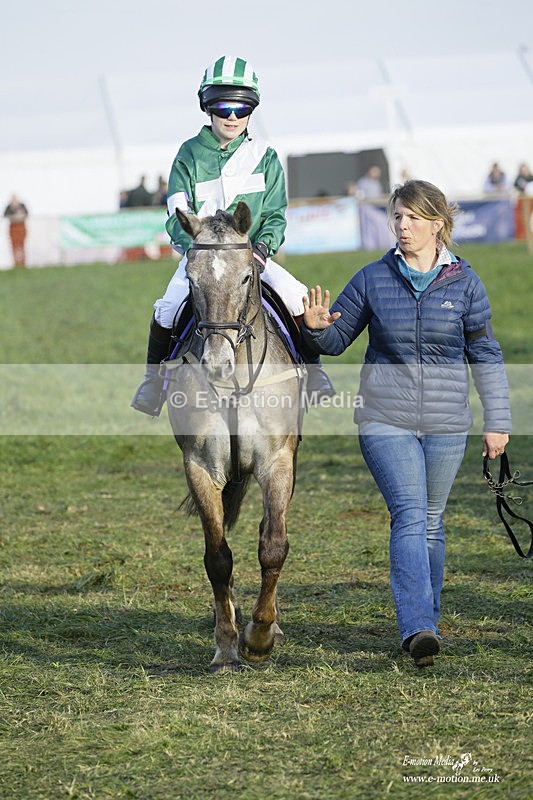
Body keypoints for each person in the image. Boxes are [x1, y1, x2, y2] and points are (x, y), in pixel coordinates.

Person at [301, 179, 511, 667]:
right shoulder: (373, 278)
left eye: (414, 217)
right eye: (397, 216)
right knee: (411, 515)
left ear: (438, 224)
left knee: (433, 523)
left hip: (445, 422)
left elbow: (486, 354)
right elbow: (335, 342)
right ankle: (417, 626)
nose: (403, 226)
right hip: (384, 418)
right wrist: (313, 329)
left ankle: (429, 622)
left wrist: (497, 421)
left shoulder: (465, 283)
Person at [131, 55, 334, 415]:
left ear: (251, 110)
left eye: (242, 108)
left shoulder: (265, 156)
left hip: (249, 257)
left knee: (297, 296)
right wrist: (197, 251)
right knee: (166, 309)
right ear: (208, 106)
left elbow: (274, 214)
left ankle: (314, 374)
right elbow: (176, 213)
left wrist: (260, 250)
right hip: (204, 258)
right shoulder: (188, 156)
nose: (232, 116)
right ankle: (152, 383)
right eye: (224, 106)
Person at [3, 194, 28, 267]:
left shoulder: (22, 206)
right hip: (13, 229)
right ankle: (15, 263)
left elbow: (27, 214)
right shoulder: (9, 207)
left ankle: (22, 263)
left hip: (21, 228)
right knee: (14, 246)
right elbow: (5, 215)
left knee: (21, 246)